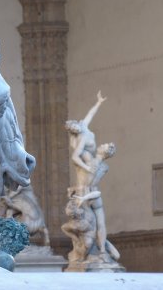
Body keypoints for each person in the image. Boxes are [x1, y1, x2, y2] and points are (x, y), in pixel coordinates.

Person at [65, 91, 115, 261]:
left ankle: (98, 251)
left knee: (93, 225)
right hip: (89, 193)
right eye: (72, 129)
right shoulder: (83, 141)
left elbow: (89, 115)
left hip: (86, 193)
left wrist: (99, 103)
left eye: (74, 125)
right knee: (92, 225)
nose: (75, 127)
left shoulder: (84, 134)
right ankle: (100, 251)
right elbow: (74, 157)